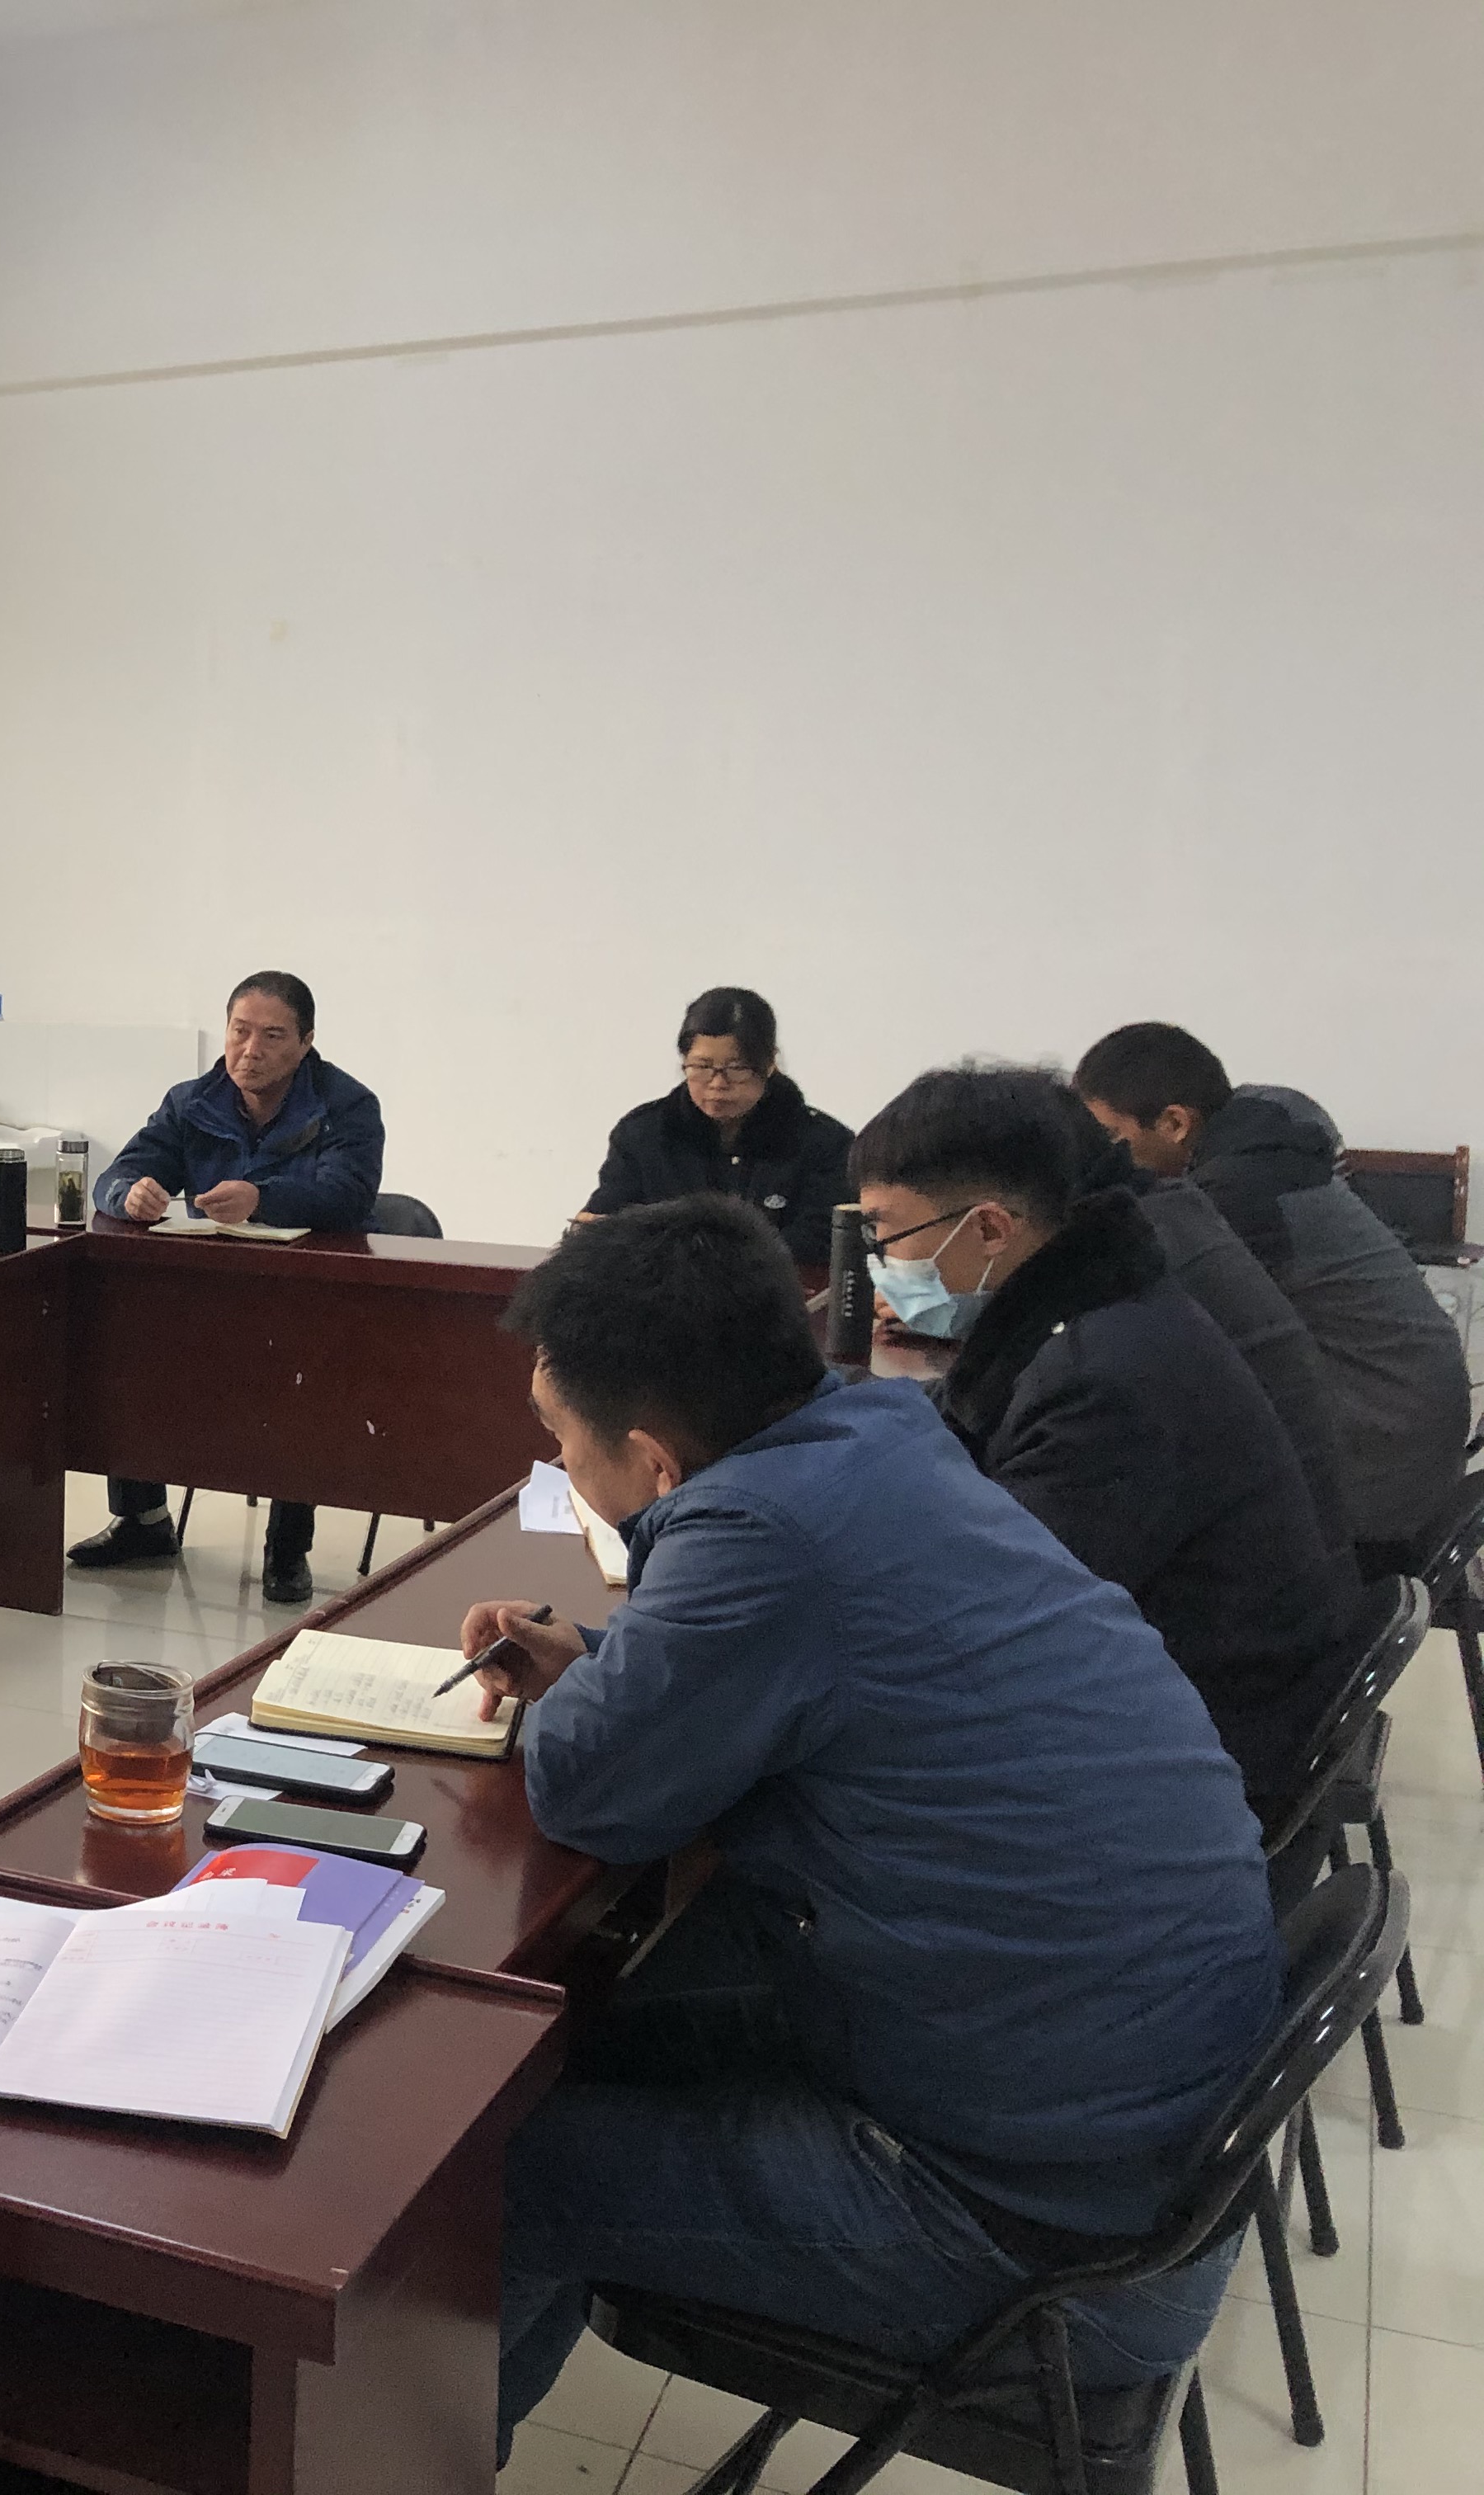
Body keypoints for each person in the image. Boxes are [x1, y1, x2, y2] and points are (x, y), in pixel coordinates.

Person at [459, 1199, 1276, 2457]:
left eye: (563, 1444)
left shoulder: (754, 1536)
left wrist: (604, 1688)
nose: (561, 1470)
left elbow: (586, 1787)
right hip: (1133, 2136)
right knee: (600, 2018)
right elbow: (820, 1651)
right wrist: (621, 1661)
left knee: (497, 2176)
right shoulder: (880, 1435)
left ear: (655, 1461)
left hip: (1052, 2244)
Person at [851, 1065, 1354, 1811]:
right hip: (1170, 1700)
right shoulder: (1096, 1298)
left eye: (887, 1232)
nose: (882, 1261)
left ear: (989, 1228)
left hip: (1182, 1764)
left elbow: (984, 1622)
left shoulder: (1103, 1381)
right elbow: (961, 1431)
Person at [1074, 1021, 1470, 1574]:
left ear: (1174, 1123)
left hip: (1376, 1470)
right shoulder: (1264, 1157)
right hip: (1403, 1438)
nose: (1099, 1159)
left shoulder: (1238, 1193)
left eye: (1109, 1137)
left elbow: (1136, 1310)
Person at [68, 972, 384, 1608]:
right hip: (208, 1296)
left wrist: (261, 1199)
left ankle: (287, 1547)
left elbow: (348, 1197)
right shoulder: (192, 1102)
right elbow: (120, 1172)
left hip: (307, 1300)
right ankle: (144, 1521)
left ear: (306, 1042)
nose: (250, 1050)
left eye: (272, 1036)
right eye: (240, 1032)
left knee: (299, 1375)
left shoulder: (346, 1105)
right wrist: (129, 1195)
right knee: (124, 1341)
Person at [1060, 1086, 1353, 1556]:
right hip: (1335, 1484)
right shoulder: (1221, 1186)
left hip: (1348, 1490)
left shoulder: (1211, 1205)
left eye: (1110, 1137)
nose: (1103, 1157)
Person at [580, 985, 855, 1256]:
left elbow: (822, 1241)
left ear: (770, 1063)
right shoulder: (643, 1134)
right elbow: (607, 1216)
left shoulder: (825, 1143)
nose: (717, 1084)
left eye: (737, 1068)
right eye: (702, 1067)